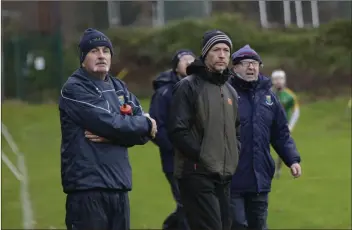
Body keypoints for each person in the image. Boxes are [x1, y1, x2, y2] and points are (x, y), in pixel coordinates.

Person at [59, 28, 157, 230]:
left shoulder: (119, 87)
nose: (101, 55)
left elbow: (140, 134)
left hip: (118, 185)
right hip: (88, 188)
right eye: (94, 51)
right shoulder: (74, 88)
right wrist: (143, 125)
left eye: (106, 50)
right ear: (83, 57)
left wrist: (118, 134)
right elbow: (108, 123)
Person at [168, 30, 241, 230]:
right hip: (196, 173)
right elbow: (177, 130)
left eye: (226, 50)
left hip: (223, 175)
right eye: (216, 49)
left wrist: (233, 155)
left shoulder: (230, 91)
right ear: (205, 54)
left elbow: (237, 131)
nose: (222, 54)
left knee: (226, 225)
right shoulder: (187, 86)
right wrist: (204, 156)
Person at [228, 44, 302, 230]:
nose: (251, 67)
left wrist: (292, 159)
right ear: (234, 67)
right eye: (245, 63)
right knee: (236, 225)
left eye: (255, 63)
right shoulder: (225, 94)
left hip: (259, 178)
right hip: (231, 178)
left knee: (258, 225)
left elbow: (281, 134)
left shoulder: (269, 97)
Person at [149, 49, 195, 230]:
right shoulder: (164, 93)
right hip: (175, 160)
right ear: (176, 67)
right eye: (184, 60)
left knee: (195, 203)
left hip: (199, 158)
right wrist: (175, 148)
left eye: (192, 59)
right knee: (187, 203)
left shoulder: (201, 88)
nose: (189, 62)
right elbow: (155, 127)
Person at [271, 69, 300, 179]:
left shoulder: (290, 96)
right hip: (268, 126)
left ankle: (278, 170)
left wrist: (290, 126)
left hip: (282, 127)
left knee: (283, 150)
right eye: (276, 79)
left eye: (281, 79)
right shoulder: (268, 93)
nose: (278, 81)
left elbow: (296, 111)